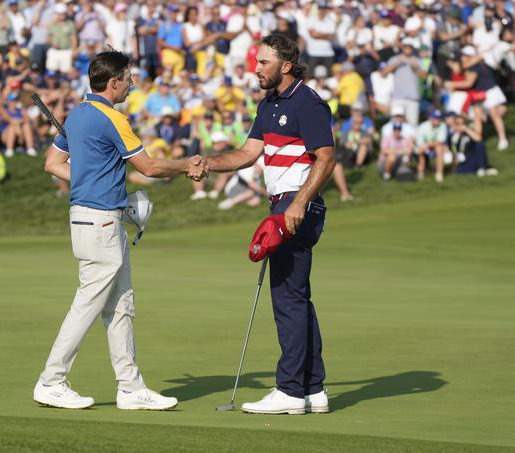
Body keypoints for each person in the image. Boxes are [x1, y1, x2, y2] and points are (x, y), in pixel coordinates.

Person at [35, 50, 207, 411]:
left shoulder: (77, 114)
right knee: (88, 304)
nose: (131, 83)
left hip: (97, 218)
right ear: (113, 82)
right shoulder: (114, 118)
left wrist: (91, 182)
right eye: (128, 78)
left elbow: (53, 164)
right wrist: (185, 165)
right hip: (99, 223)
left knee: (121, 305)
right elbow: (149, 167)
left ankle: (130, 387)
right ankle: (51, 380)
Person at [205, 34, 336, 415]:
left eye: (264, 62)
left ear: (286, 65)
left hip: (296, 206)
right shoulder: (270, 104)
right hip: (282, 205)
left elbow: (326, 159)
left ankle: (291, 390)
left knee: (287, 299)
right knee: (297, 297)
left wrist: (297, 204)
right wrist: (206, 163)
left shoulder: (308, 104)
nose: (256, 68)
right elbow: (248, 154)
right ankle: (313, 389)